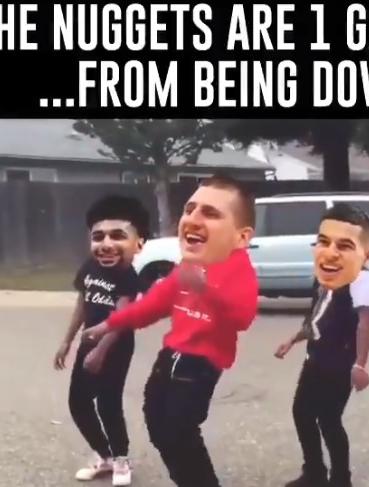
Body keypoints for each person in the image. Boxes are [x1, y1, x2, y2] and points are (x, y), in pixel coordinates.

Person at [82, 173, 259, 487]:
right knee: (157, 426)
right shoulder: (187, 266)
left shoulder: (238, 268)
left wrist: (206, 290)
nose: (193, 219)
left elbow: (242, 318)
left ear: (241, 237)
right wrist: (109, 324)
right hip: (170, 357)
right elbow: (152, 305)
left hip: (199, 365)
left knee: (180, 430)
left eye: (210, 213)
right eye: (190, 209)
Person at [275, 203, 369, 487]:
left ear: (365, 254)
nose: (331, 252)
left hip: (340, 363)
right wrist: (293, 340)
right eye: (324, 241)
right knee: (302, 413)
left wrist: (360, 364)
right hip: (315, 358)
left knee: (329, 420)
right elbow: (316, 316)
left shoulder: (362, 280)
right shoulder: (323, 277)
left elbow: (365, 322)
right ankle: (315, 473)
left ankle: (341, 480)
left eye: (344, 245)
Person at [53, 195, 150, 486]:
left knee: (108, 403)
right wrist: (67, 341)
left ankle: (121, 459)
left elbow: (123, 318)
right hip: (89, 342)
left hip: (116, 345)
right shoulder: (89, 267)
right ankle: (104, 455)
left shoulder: (128, 276)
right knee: (78, 402)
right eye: (98, 237)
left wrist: (101, 352)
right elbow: (83, 304)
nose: (106, 244)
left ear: (137, 243)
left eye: (117, 236)